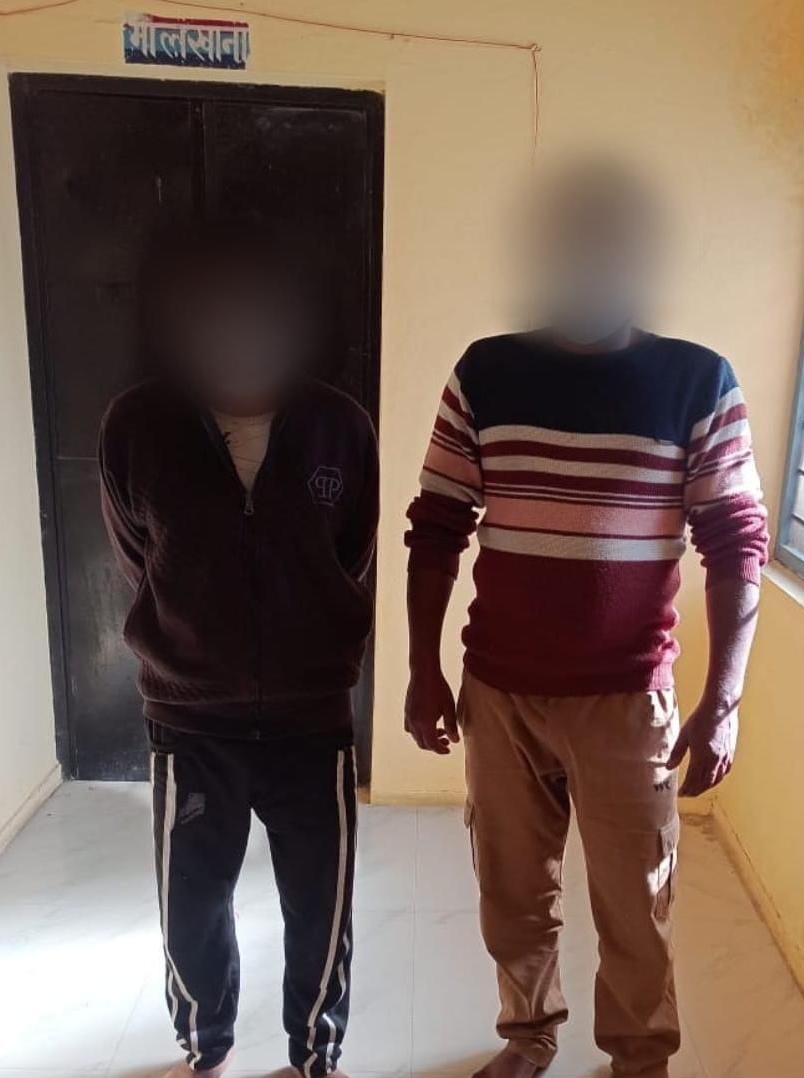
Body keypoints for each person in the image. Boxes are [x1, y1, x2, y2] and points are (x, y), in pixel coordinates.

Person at [403, 160, 769, 1078]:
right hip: (500, 695)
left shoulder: (697, 382)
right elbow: (436, 524)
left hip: (625, 702)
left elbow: (736, 543)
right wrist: (421, 670)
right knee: (510, 897)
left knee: (635, 903)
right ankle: (528, 1037)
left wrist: (722, 703)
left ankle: (638, 1060)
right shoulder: (485, 372)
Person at [99, 221, 378, 1078]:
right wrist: (195, 643)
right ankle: (205, 1047)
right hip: (190, 718)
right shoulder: (137, 424)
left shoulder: (338, 426)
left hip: (310, 716)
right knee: (192, 904)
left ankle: (314, 1055)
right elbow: (138, 559)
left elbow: (350, 554)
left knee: (319, 906)